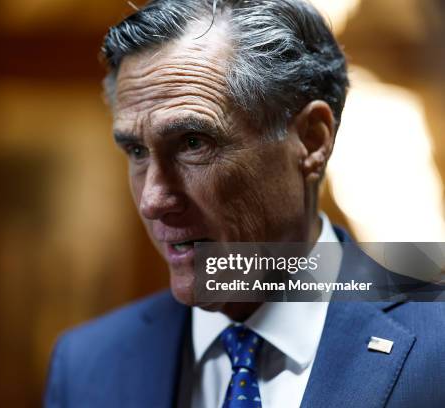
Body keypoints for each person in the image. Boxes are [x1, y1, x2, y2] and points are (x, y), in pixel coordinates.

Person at [44, 1, 445, 407]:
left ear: (311, 140)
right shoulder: (86, 367)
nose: (153, 200)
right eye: (136, 151)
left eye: (192, 143)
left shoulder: (436, 351)